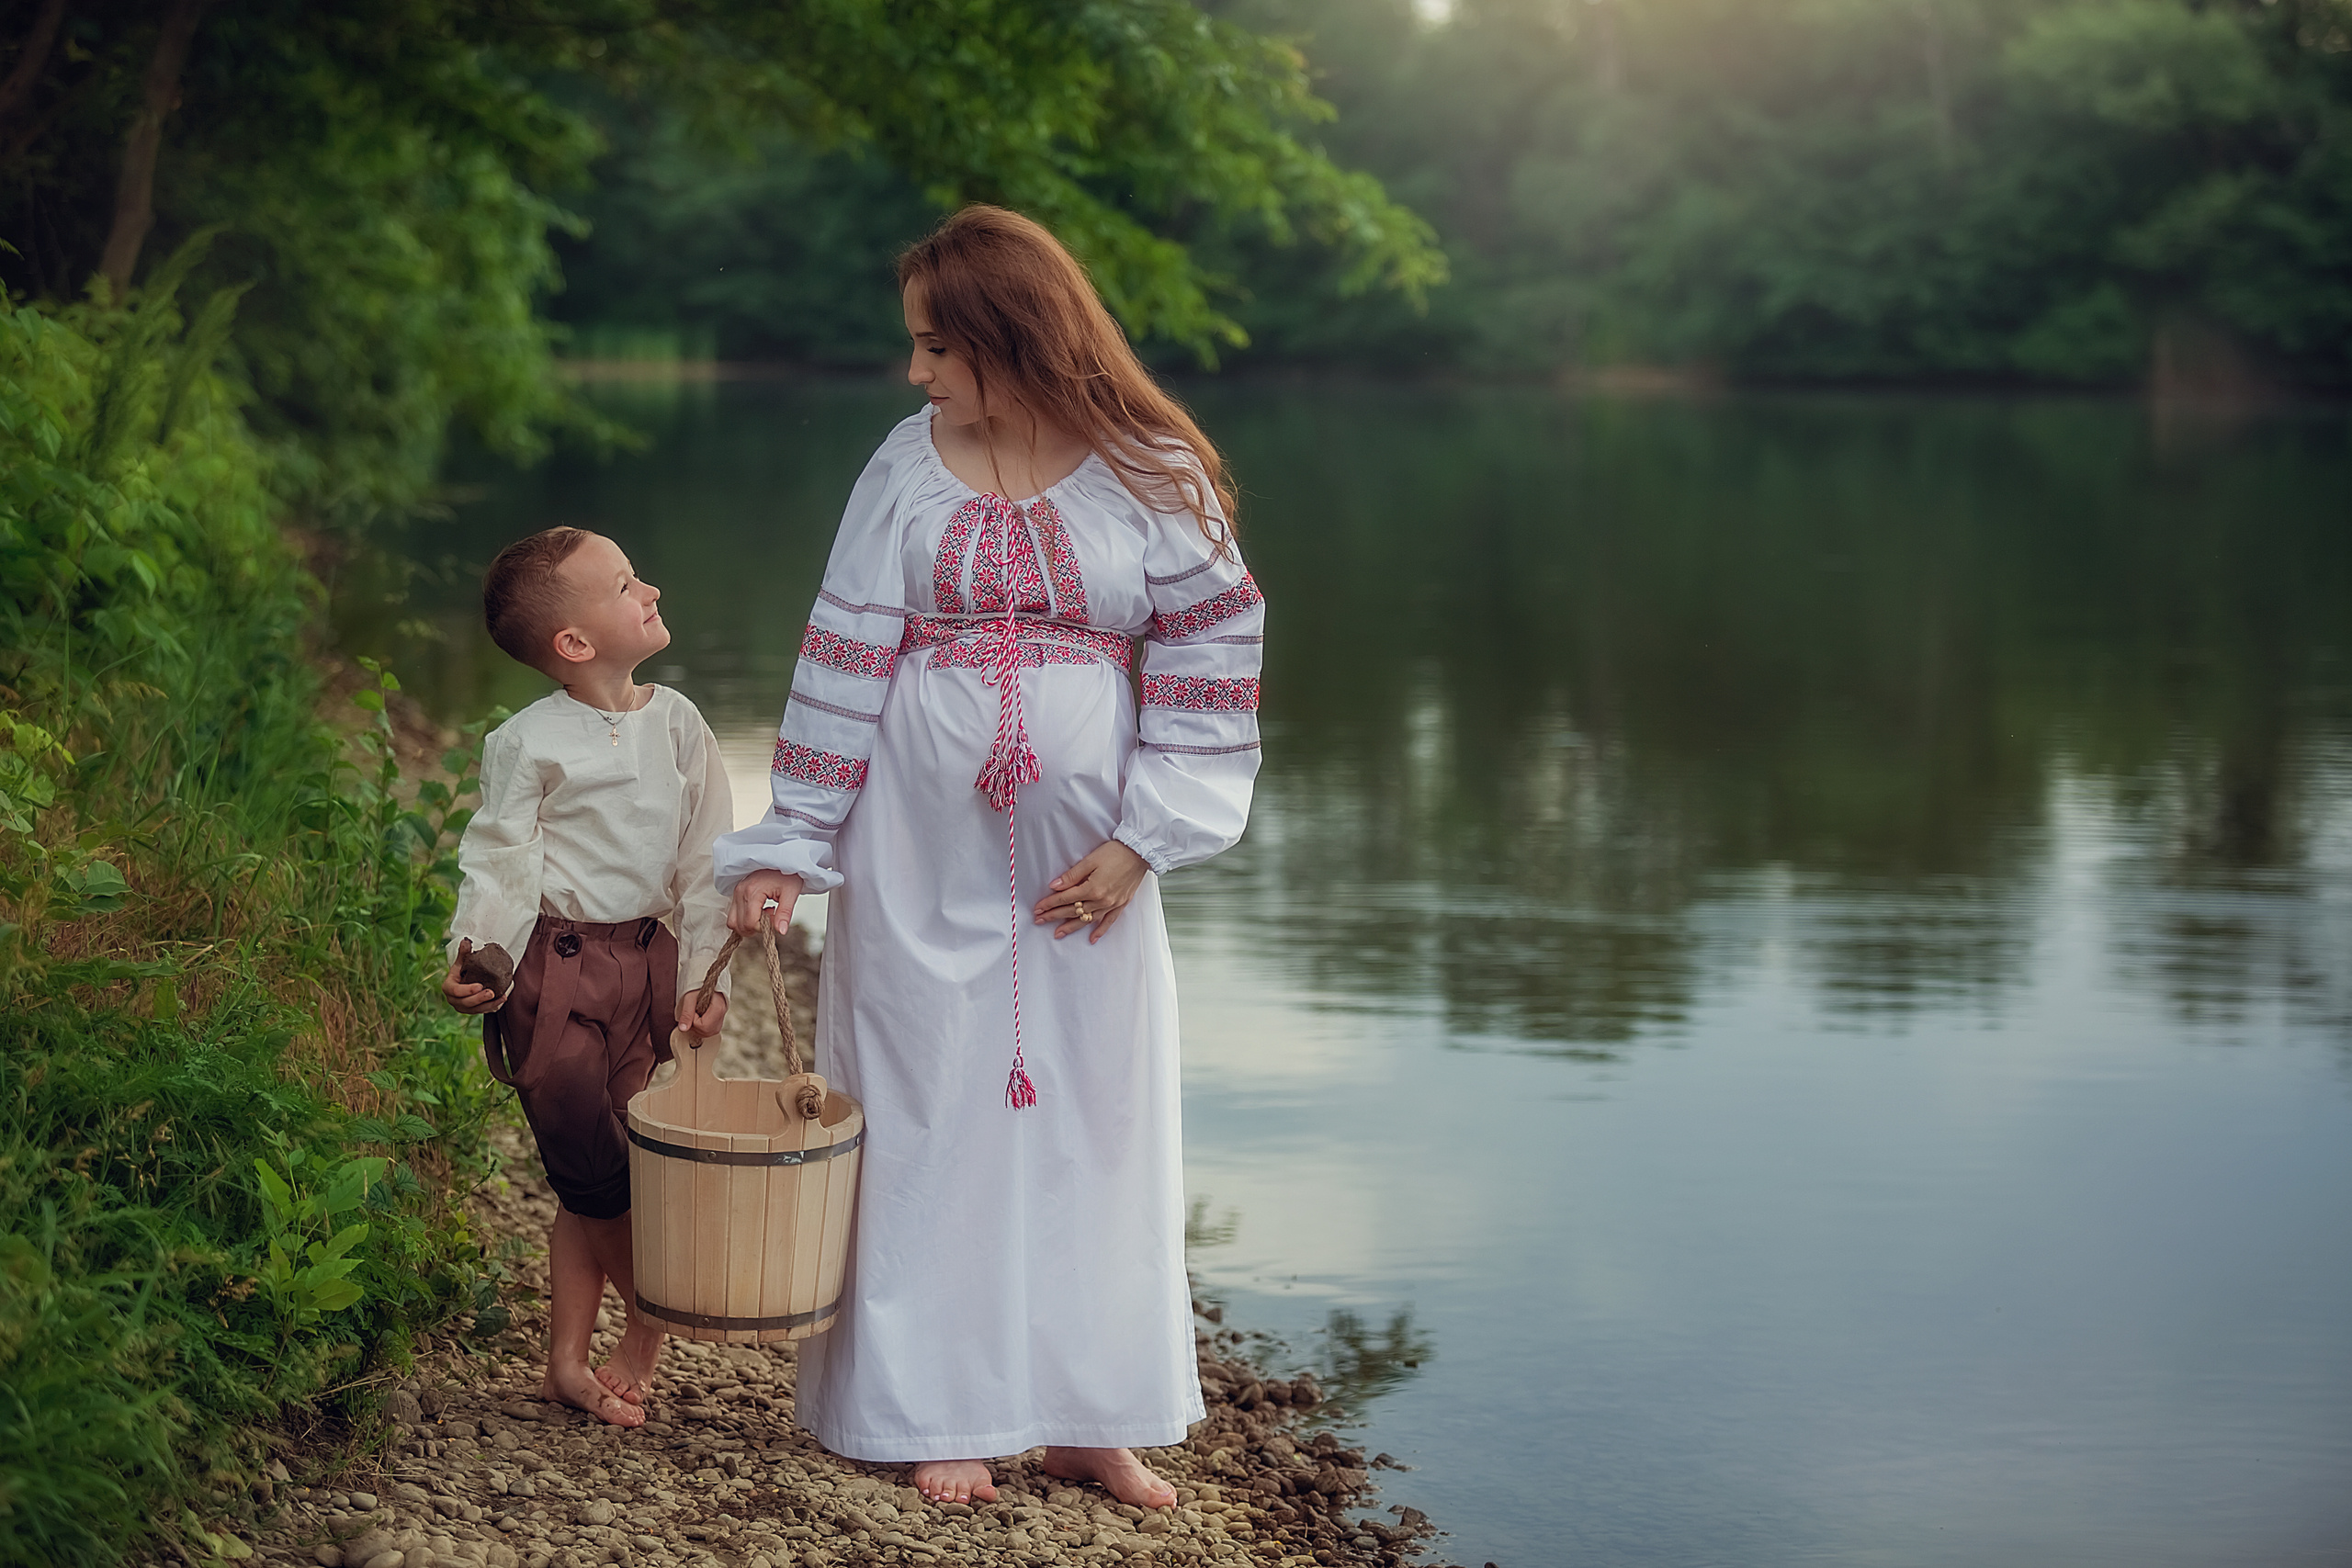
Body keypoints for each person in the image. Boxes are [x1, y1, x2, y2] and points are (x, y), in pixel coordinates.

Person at [715, 205, 1266, 1509]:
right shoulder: (902, 468)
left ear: (1010, 337)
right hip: (917, 849)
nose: (917, 372)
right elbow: (845, 650)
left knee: (1094, 1110)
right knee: (922, 1098)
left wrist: (1145, 838)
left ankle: (1087, 1409)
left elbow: (1213, 651)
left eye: (935, 345)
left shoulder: (1151, 469)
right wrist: (793, 838)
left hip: (1089, 865)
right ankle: (932, 1403)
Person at [443, 526, 734, 1427]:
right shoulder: (528, 741)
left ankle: (564, 1362)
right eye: (621, 584)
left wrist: (705, 966)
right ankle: (649, 1322)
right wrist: (480, 954)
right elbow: (502, 858)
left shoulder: (679, 724)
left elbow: (707, 855)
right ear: (573, 644)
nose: (648, 588)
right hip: (552, 969)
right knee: (589, 1158)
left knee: (605, 1162)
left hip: (644, 968)